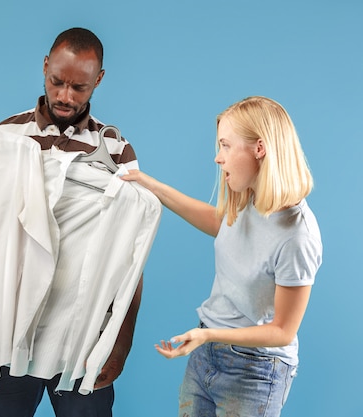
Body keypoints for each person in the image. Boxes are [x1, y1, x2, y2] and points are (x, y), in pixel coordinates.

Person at [0, 27, 142, 417]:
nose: (65, 96)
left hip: (83, 337)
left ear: (98, 80)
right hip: (8, 337)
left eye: (79, 87)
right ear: (44, 67)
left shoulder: (116, 149)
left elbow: (131, 253)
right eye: (56, 81)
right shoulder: (3, 137)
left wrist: (120, 342)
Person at [122, 96, 322, 416]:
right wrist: (150, 185)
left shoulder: (297, 235)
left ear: (259, 148)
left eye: (226, 146)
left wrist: (208, 334)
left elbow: (282, 330)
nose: (218, 158)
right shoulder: (249, 198)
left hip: (255, 371)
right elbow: (220, 223)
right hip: (207, 354)